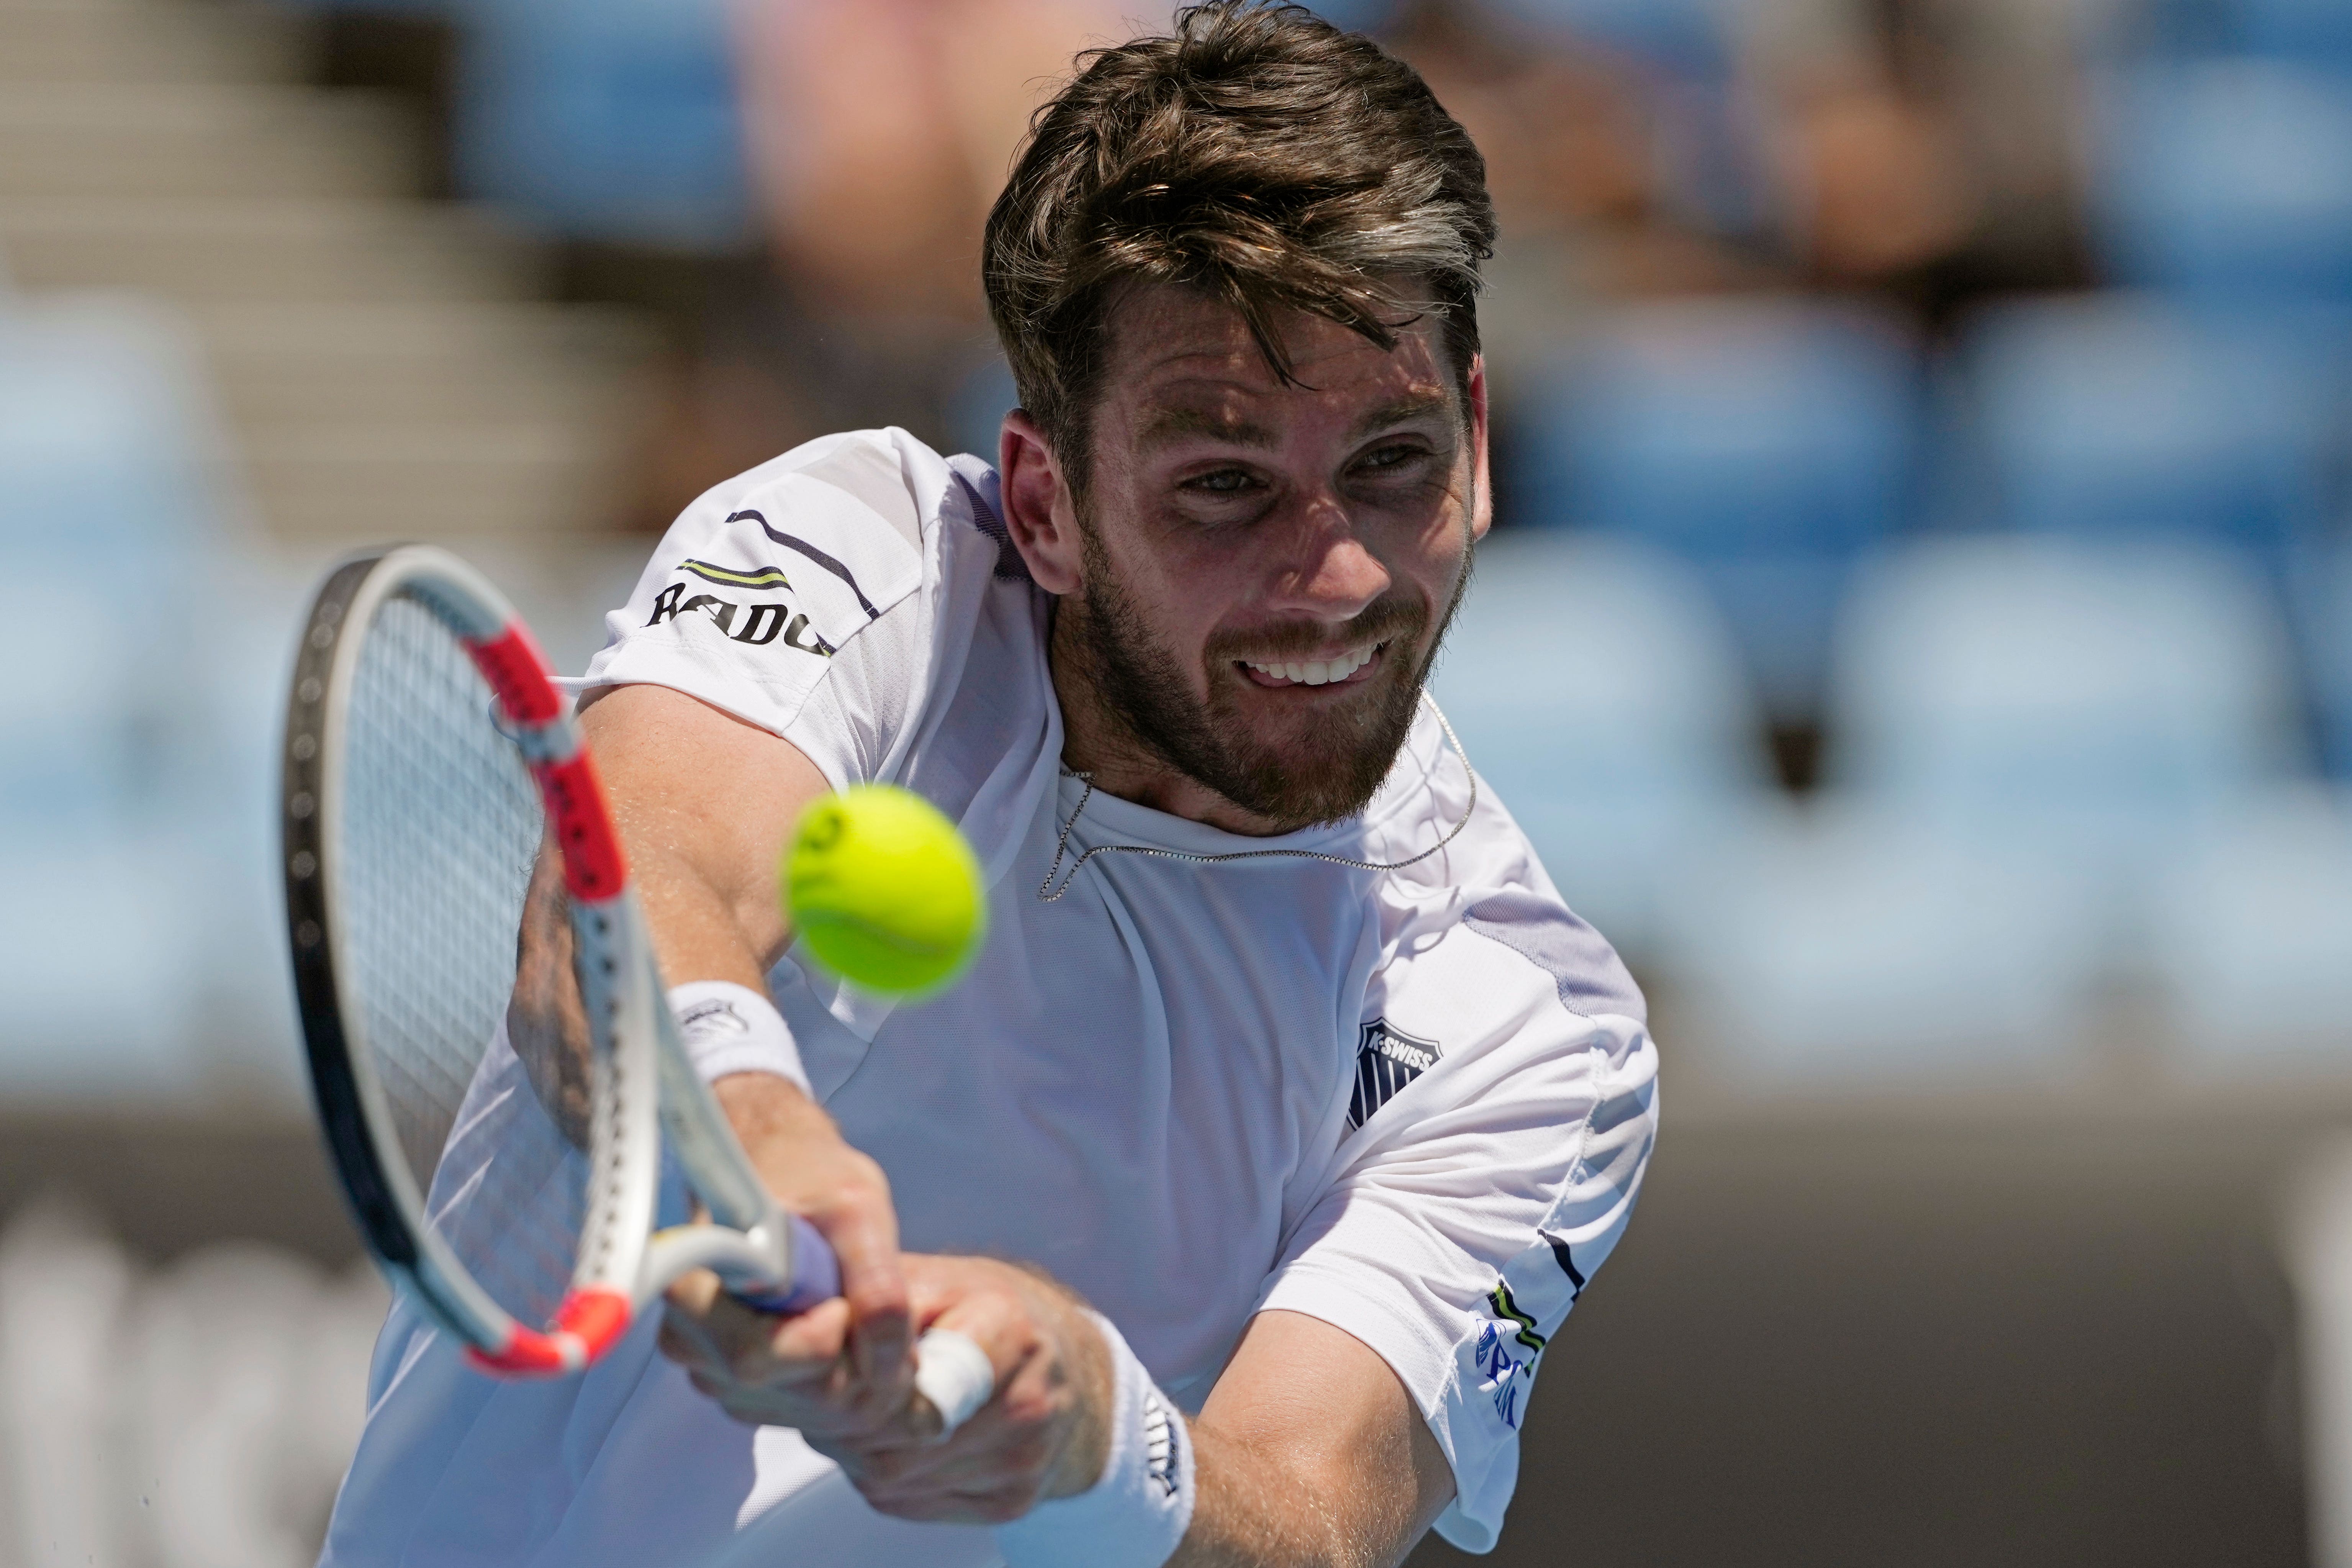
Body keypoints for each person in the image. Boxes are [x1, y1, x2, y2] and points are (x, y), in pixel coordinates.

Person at [320, 5, 1659, 1564]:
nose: (1335, 571)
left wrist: (1095, 1421)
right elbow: (623, 899)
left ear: (1477, 439)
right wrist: (758, 1134)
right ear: (1043, 502)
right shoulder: (862, 552)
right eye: (1222, 484)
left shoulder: (1532, 1027)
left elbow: (1312, 1516)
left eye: (1393, 460)